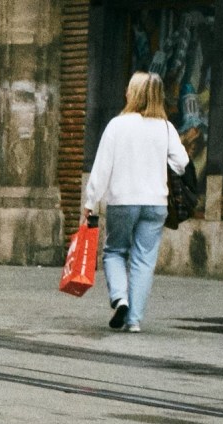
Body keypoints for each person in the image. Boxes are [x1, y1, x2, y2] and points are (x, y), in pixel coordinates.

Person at [80, 71, 189, 333]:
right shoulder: (165, 127)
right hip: (156, 203)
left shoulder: (118, 125)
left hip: (124, 200)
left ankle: (120, 298)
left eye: (130, 89)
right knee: (144, 259)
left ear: (135, 94)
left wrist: (90, 201)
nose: (126, 93)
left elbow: (102, 167)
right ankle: (134, 321)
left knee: (115, 251)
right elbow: (182, 163)